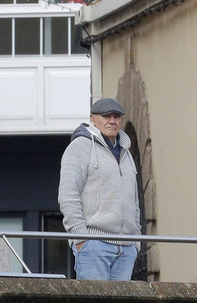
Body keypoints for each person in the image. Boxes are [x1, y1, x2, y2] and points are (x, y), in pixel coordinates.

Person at [58, 97, 141, 280]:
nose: (112, 121)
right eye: (106, 116)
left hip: (126, 248)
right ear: (93, 119)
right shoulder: (79, 147)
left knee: (120, 301)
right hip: (94, 245)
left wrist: (136, 240)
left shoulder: (126, 152)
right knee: (94, 300)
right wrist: (81, 238)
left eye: (116, 116)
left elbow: (134, 201)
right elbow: (68, 195)